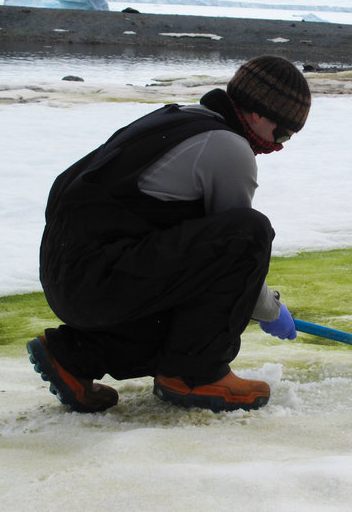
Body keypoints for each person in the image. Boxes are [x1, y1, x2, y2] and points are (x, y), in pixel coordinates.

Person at [26, 55, 311, 413]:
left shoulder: (181, 119)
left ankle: (75, 356)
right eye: (282, 134)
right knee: (251, 232)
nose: (279, 145)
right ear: (257, 113)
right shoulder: (228, 148)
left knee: (185, 315)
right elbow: (238, 252)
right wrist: (270, 308)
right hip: (97, 277)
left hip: (73, 275)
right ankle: (196, 373)